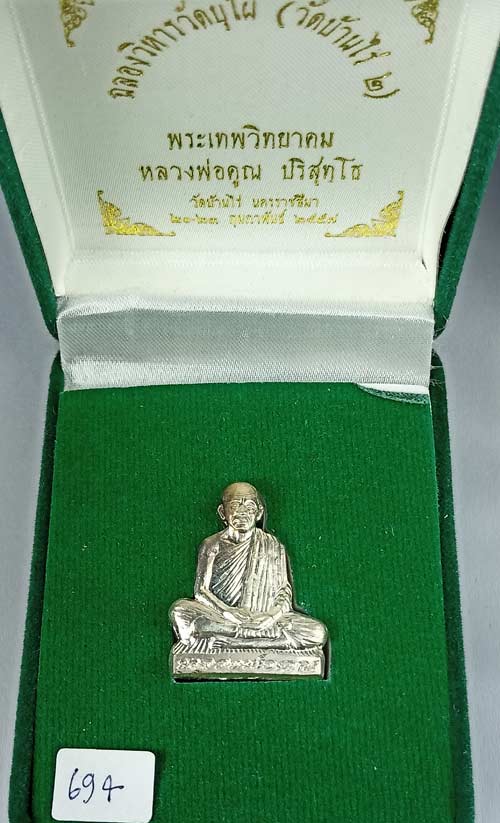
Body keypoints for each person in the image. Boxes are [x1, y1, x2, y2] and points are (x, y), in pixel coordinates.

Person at [170, 482, 327, 651]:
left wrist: (270, 616)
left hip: (262, 618)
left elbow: (284, 591)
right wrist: (227, 612)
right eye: (235, 506)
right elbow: (201, 591)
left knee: (317, 632)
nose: (242, 512)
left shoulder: (272, 545)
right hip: (223, 615)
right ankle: (260, 637)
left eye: (250, 506)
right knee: (179, 610)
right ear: (222, 512)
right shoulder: (211, 545)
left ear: (259, 513)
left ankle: (241, 640)